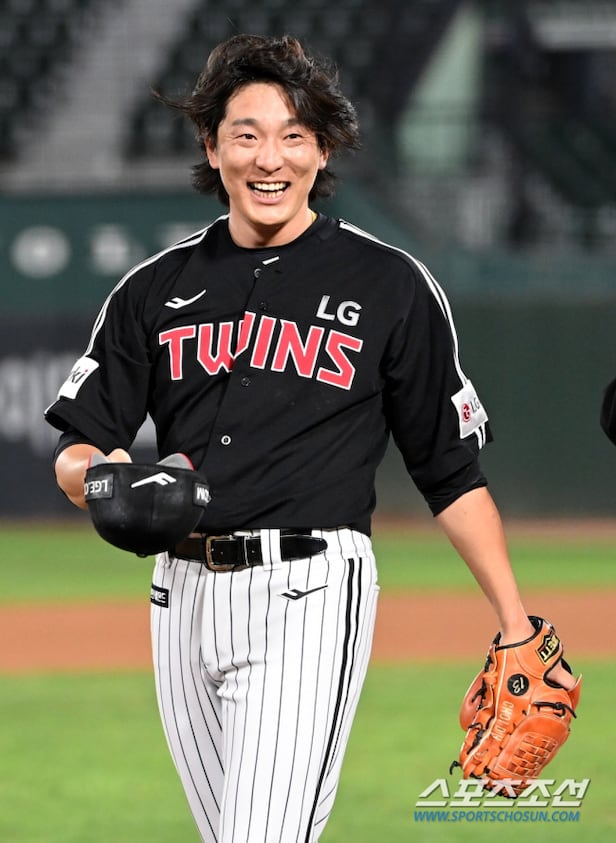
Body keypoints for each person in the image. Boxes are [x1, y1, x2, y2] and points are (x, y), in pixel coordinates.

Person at [45, 33, 576, 843]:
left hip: (309, 592)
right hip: (179, 598)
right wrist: (105, 481)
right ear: (212, 147)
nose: (271, 158)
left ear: (323, 151)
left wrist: (516, 621)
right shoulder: (152, 290)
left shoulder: (390, 285)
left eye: (294, 135)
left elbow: (450, 471)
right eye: (247, 134)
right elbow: (79, 448)